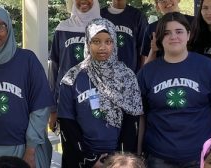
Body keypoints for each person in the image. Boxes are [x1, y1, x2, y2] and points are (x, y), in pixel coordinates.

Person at [137, 12, 211, 167]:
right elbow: (140, 116)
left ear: (188, 35)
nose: (173, 36)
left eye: (179, 31)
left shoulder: (207, 67)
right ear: (160, 38)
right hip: (158, 157)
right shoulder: (148, 72)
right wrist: (138, 153)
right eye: (167, 33)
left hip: (200, 156)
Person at [0, 6, 54, 168]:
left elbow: (40, 108)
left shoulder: (27, 60)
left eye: (0, 26)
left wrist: (30, 150)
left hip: (24, 149)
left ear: (8, 27)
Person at [57, 18, 144, 168]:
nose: (102, 47)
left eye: (108, 41)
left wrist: (117, 160)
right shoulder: (72, 78)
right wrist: (90, 159)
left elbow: (132, 124)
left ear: (114, 43)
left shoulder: (127, 77)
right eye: (96, 41)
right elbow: (67, 124)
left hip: (119, 161)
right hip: (81, 158)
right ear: (88, 43)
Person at [47, 0, 101, 140]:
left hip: (96, 98)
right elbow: (53, 67)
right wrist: (52, 108)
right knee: (70, 146)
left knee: (95, 143)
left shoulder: (104, 27)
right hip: (66, 99)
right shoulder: (62, 28)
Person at [99, 0, 148, 154]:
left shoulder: (137, 16)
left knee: (128, 139)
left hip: (129, 86)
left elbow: (143, 53)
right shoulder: (100, 15)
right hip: (104, 86)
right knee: (105, 135)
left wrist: (138, 82)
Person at [141, 0, 194, 65]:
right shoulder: (151, 28)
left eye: (179, 32)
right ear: (157, 6)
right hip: (162, 72)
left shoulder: (195, 23)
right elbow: (146, 67)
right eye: (162, 0)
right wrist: (153, 51)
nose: (167, 1)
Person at [100, 0, 148, 73]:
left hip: (130, 76)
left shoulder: (137, 16)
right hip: (104, 76)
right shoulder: (100, 15)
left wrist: (142, 74)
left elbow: (144, 49)